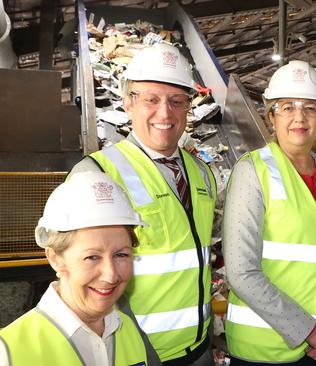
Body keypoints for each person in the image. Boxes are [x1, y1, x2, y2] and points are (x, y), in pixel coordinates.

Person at [70, 43, 218, 365]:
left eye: (176, 101)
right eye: (151, 99)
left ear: (189, 107)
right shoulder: (97, 176)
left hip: (199, 347)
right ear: (127, 103)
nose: (164, 113)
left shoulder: (203, 174)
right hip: (134, 353)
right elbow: (81, 280)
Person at [222, 60, 316, 365]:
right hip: (263, 353)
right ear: (270, 116)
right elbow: (241, 272)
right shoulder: (253, 172)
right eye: (287, 107)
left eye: (310, 107)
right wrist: (311, 331)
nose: (299, 117)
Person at [0, 172, 150, 365]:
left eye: (121, 254)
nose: (111, 275)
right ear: (55, 259)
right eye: (92, 257)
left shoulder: (127, 329)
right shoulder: (10, 352)